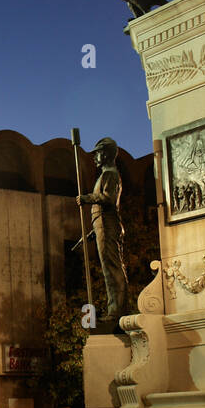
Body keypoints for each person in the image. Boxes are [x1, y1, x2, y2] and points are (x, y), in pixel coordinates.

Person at [76, 137, 129, 320]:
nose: (94, 157)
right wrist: (93, 230)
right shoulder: (105, 175)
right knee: (108, 268)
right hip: (102, 225)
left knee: (112, 268)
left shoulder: (110, 174)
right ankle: (114, 308)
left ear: (105, 154)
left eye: (97, 153)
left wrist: (86, 198)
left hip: (107, 224)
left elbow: (108, 199)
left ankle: (117, 310)